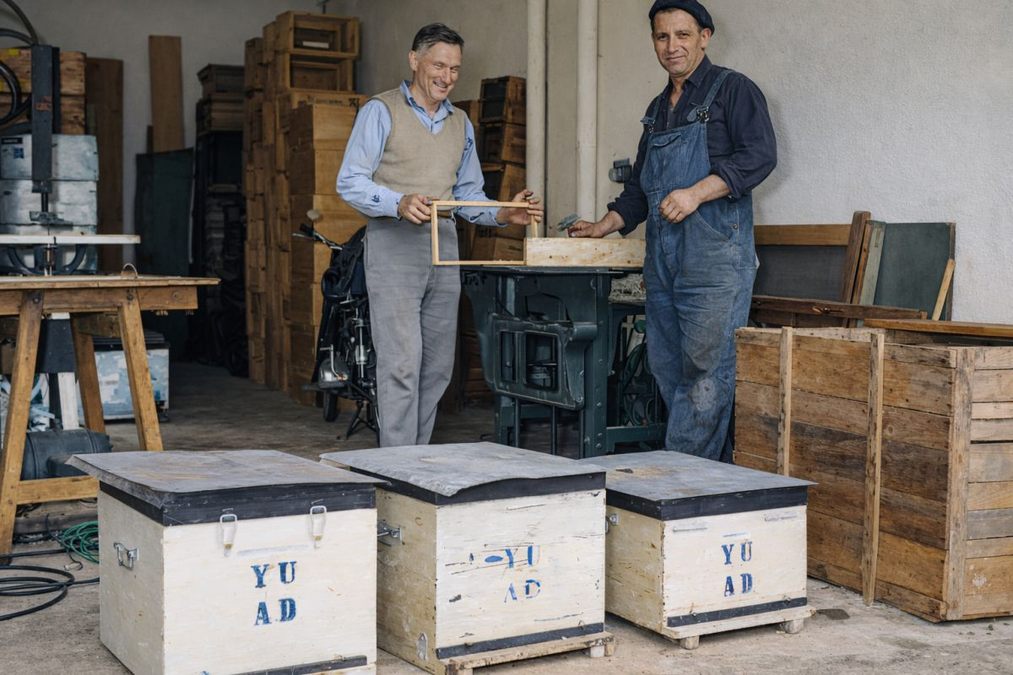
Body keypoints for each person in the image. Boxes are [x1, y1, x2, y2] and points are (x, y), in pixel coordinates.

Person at [568, 0, 776, 462]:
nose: (672, 46)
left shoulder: (733, 91)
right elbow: (641, 189)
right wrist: (602, 227)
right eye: (662, 37)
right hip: (663, 261)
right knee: (667, 367)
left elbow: (760, 155)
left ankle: (680, 482)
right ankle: (711, 477)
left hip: (713, 261)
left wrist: (697, 192)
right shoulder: (658, 108)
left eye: (682, 35)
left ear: (705, 36)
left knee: (707, 373)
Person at [337, 23, 543, 448]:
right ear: (414, 61)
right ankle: (399, 466)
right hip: (394, 248)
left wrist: (502, 212)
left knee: (436, 369)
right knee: (401, 364)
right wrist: (396, 202)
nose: (447, 77)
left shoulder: (461, 123)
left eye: (454, 69)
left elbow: (466, 195)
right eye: (438, 65)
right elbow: (350, 181)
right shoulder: (381, 110)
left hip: (444, 251)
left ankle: (418, 457)